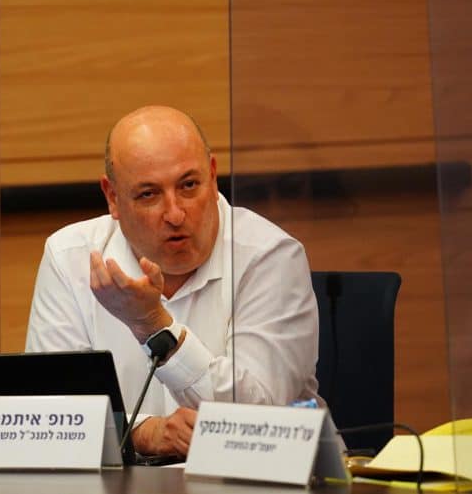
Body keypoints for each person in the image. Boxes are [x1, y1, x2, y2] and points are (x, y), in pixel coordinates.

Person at [25, 105, 320, 458]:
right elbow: (50, 418)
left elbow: (259, 421)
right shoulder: (69, 258)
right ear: (113, 198)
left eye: (189, 185)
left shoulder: (268, 257)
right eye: (148, 194)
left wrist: (154, 327)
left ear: (213, 176)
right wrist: (144, 433)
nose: (176, 214)